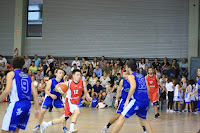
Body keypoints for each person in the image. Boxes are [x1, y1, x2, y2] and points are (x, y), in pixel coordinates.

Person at [0, 56, 40, 133]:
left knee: (4, 130)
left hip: (16, 104)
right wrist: (37, 109)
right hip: (27, 106)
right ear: (23, 65)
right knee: (15, 130)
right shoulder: (28, 76)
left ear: (12, 65)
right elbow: (35, 93)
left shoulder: (11, 74)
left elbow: (7, 90)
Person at [112, 60, 153, 133]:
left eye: (126, 67)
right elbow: (148, 89)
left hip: (137, 101)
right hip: (145, 101)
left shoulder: (131, 76)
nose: (125, 68)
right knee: (144, 120)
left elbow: (133, 87)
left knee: (121, 118)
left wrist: (127, 100)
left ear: (129, 68)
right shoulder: (141, 76)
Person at [189, 67, 200, 133]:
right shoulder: (199, 80)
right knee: (199, 113)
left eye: (199, 71)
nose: (198, 72)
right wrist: (192, 93)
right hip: (199, 98)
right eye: (198, 71)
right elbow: (197, 89)